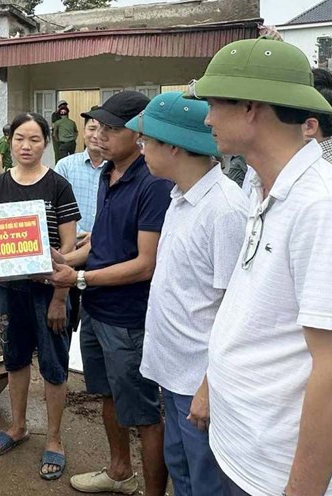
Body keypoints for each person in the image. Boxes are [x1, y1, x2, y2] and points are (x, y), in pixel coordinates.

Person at [188, 37, 332, 495]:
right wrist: (212, 383)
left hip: (278, 473)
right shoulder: (264, 184)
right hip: (243, 445)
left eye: (215, 103)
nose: (208, 118)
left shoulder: (326, 207)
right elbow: (256, 309)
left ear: (252, 107)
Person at [48, 91, 172, 496]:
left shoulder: (153, 182)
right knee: (107, 395)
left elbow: (145, 263)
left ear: (139, 134)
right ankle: (120, 472)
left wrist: (80, 280)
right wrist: (65, 260)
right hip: (98, 310)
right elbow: (100, 242)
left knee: (144, 412)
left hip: (128, 316)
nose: (100, 133)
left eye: (112, 128)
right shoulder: (108, 174)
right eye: (99, 125)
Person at [126, 92, 248, 496]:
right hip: (174, 371)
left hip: (200, 379)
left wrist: (210, 387)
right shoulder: (180, 198)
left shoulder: (226, 210)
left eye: (148, 142)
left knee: (207, 482)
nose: (141, 150)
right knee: (182, 471)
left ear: (174, 146)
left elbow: (239, 310)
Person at [0, 112, 80, 481]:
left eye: (35, 139)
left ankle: (54, 439)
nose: (26, 146)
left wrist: (59, 295)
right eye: (20, 138)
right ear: (11, 141)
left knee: (54, 366)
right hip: (8, 291)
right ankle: (18, 426)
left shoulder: (58, 186)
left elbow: (68, 248)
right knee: (15, 359)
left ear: (46, 144)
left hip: (47, 293)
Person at [55, 109, 105, 237]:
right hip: (72, 243)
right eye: (92, 129)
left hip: (107, 246)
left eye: (102, 130)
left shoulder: (118, 168)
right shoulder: (65, 166)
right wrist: (79, 234)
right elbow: (56, 208)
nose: (96, 135)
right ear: (83, 132)